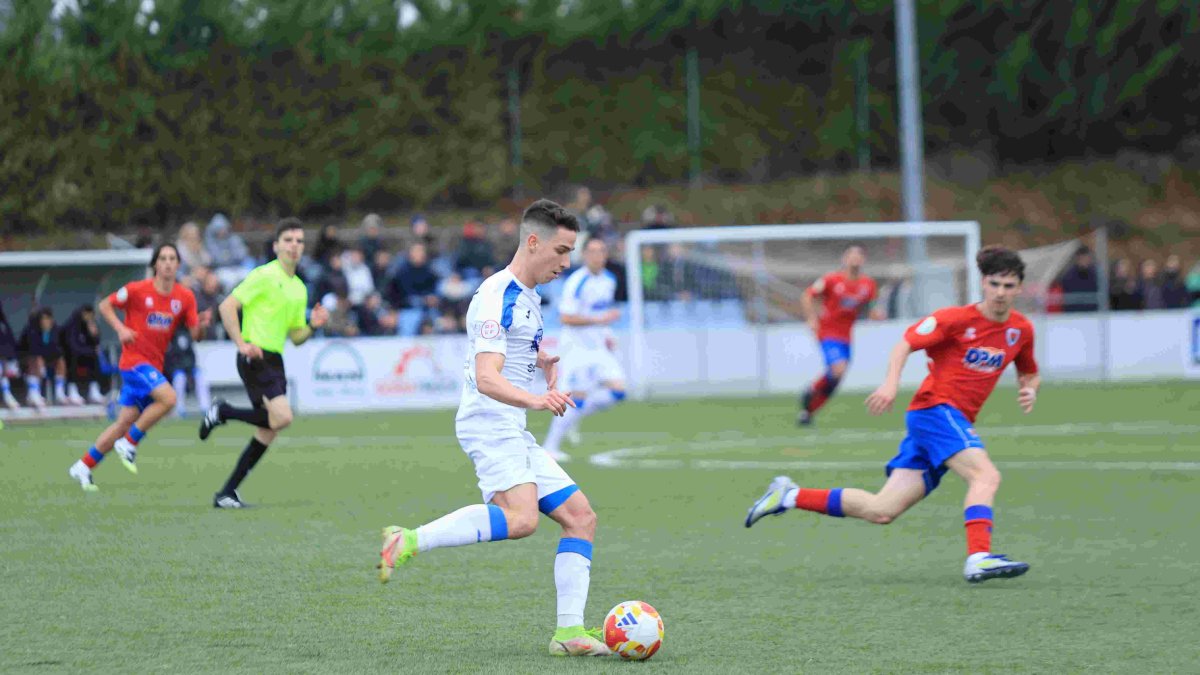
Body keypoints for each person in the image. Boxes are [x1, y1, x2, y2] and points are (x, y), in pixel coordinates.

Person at [377, 200, 611, 658]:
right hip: (489, 422)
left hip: (510, 423)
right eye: (561, 251)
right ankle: (407, 540)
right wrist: (537, 398)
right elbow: (486, 378)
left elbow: (508, 349)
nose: (567, 263)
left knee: (581, 518)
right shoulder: (496, 295)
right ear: (533, 242)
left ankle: (569, 634)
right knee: (522, 520)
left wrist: (537, 360)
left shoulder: (527, 295)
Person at [745, 245, 1039, 584]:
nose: (1000, 292)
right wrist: (889, 384)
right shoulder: (954, 319)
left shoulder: (1021, 330)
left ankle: (789, 495)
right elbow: (904, 344)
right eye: (994, 284)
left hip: (946, 422)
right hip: (935, 411)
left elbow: (1029, 371)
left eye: (1008, 286)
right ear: (983, 284)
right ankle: (979, 557)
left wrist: (1030, 387)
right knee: (985, 476)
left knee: (881, 509)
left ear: (1019, 288)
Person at [198, 218, 329, 509]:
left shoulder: (299, 288)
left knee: (269, 429)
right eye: (288, 240)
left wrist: (313, 325)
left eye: (299, 241)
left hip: (275, 360)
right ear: (276, 246)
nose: (294, 246)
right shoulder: (263, 275)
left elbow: (296, 337)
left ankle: (227, 493)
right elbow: (227, 306)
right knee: (283, 417)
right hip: (254, 356)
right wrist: (242, 344)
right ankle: (223, 411)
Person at [68, 244, 209, 491]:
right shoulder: (137, 290)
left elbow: (196, 334)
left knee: (122, 424)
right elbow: (105, 305)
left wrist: (204, 325)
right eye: (163, 258)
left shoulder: (184, 297)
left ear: (178, 265)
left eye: (172, 258)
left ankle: (84, 465)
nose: (167, 263)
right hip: (134, 363)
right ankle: (130, 442)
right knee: (169, 398)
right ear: (155, 264)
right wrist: (121, 329)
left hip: (152, 366)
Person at [541, 237, 625, 462]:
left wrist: (608, 334)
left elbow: (602, 314)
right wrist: (600, 321)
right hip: (576, 347)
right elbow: (566, 317)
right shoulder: (576, 282)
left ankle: (573, 418)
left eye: (601, 251)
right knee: (574, 397)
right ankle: (549, 447)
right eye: (593, 252)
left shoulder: (609, 280)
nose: (598, 256)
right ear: (585, 255)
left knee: (618, 391)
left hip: (598, 345)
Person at [796, 245, 879, 426]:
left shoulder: (868, 285)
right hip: (827, 332)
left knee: (836, 379)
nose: (855, 258)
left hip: (846, 337)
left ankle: (808, 413)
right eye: (852, 255)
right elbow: (807, 296)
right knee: (838, 369)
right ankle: (811, 390)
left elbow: (871, 309)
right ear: (844, 259)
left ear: (863, 260)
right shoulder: (831, 280)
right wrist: (811, 319)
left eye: (859, 255)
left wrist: (876, 315)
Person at [58, 304, 107, 405]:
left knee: (95, 358)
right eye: (86, 315)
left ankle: (94, 391)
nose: (89, 318)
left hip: (84, 354)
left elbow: (95, 344)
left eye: (91, 315)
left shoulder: (89, 325)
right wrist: (89, 351)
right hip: (69, 354)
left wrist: (94, 335)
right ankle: (72, 391)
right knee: (72, 359)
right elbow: (72, 346)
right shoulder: (71, 325)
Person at [164, 322, 210, 418]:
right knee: (179, 378)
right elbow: (170, 357)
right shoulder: (170, 335)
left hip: (189, 367)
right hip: (176, 368)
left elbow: (192, 354)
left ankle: (205, 407)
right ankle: (180, 408)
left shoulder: (188, 333)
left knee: (201, 377)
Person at [0, 299, 22, 410]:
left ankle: (7, 395)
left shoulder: (3, 324)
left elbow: (10, 343)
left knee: (6, 367)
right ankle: (6, 395)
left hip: (6, 361)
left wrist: (11, 358)